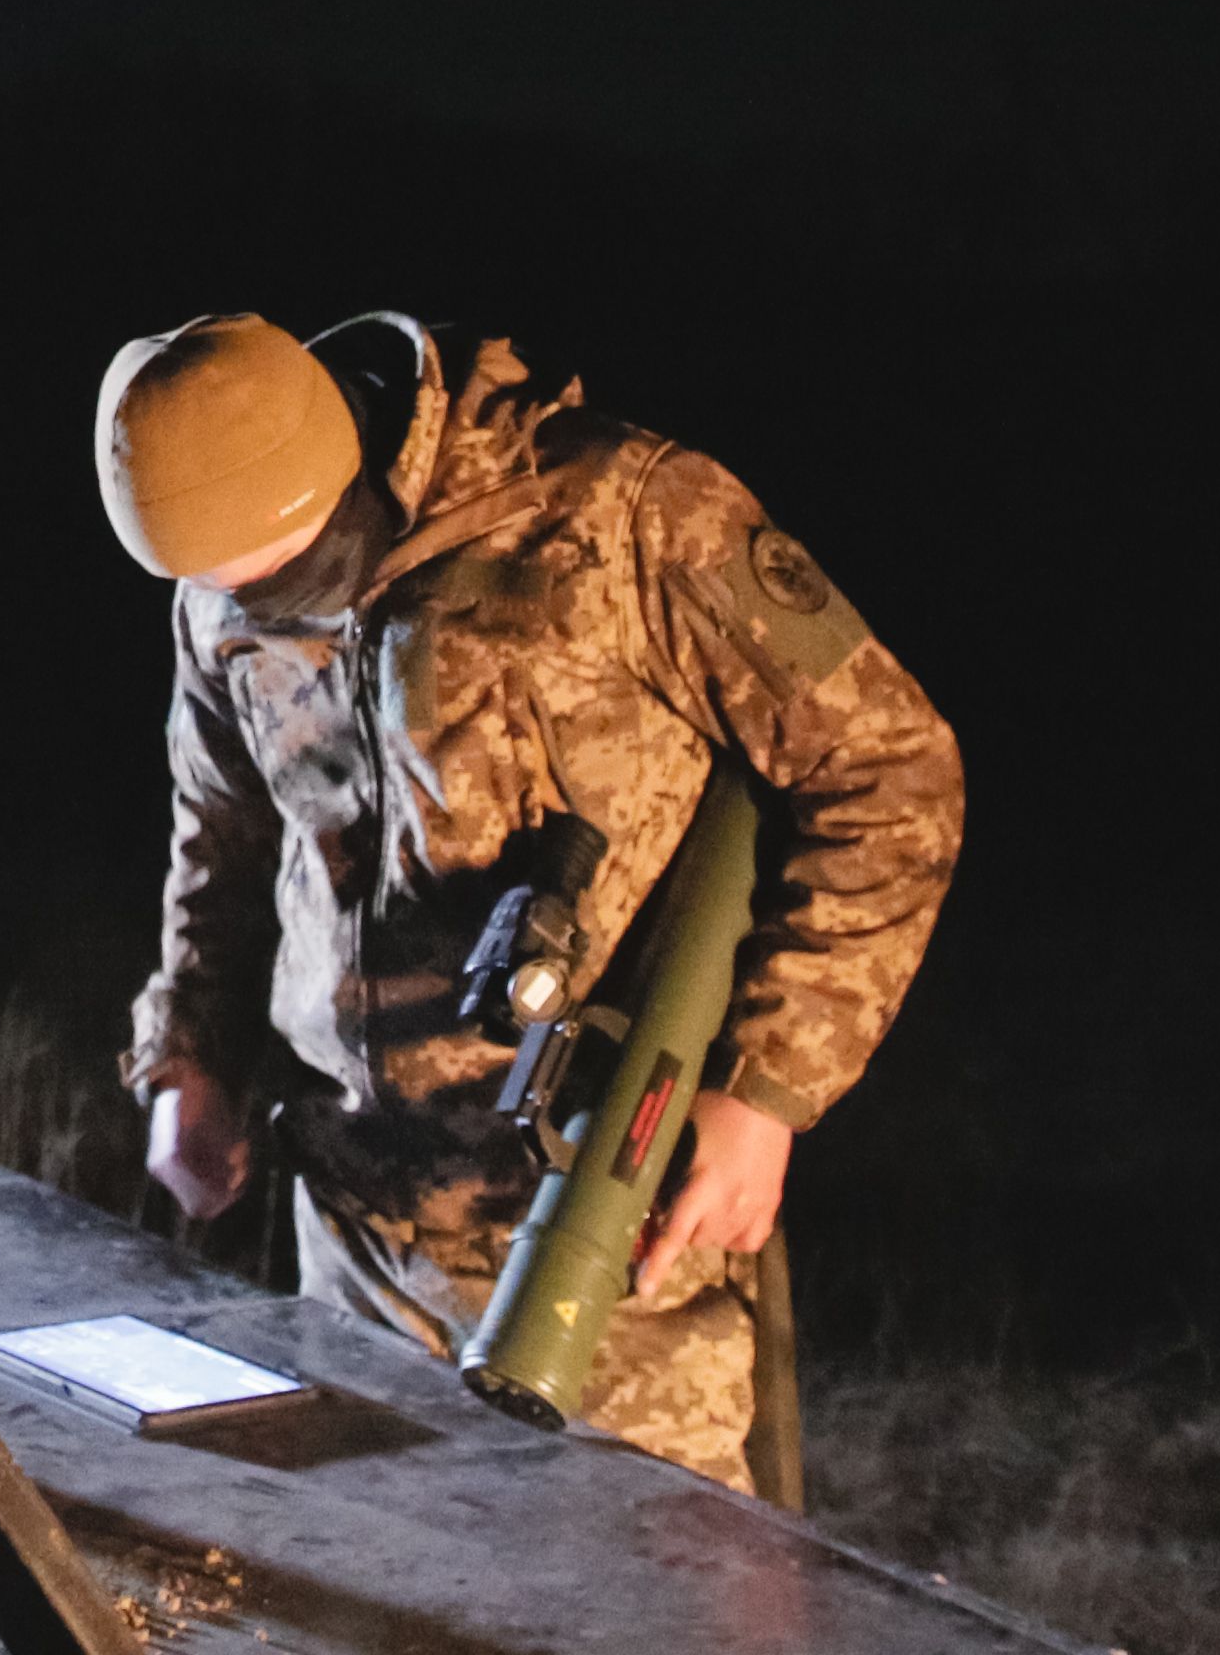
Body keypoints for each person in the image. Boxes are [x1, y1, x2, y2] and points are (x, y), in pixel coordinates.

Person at [102, 310, 964, 1491]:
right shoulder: (216, 594)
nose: (273, 601)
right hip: (357, 1236)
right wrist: (192, 1057)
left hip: (601, 1236)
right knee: (373, 1582)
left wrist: (768, 1088)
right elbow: (225, 834)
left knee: (654, 1583)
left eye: (294, 566)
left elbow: (890, 770)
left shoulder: (619, 518)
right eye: (234, 586)